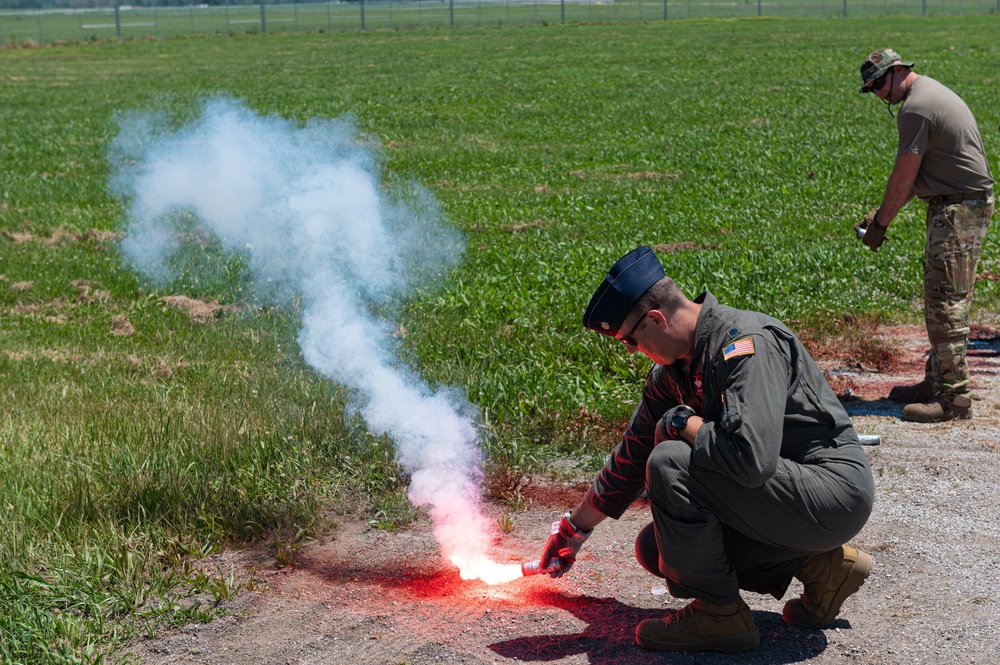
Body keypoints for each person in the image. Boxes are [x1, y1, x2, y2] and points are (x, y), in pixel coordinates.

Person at [537, 246, 876, 653]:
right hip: (788, 500)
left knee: (671, 461)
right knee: (658, 548)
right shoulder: (675, 370)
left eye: (630, 338)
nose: (629, 349)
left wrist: (685, 424)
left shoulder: (744, 345)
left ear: (656, 319)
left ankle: (721, 616)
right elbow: (631, 457)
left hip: (831, 493)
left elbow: (751, 459)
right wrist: (575, 530)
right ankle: (824, 567)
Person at [855, 48, 994, 423]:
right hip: (960, 204)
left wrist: (880, 225)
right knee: (939, 296)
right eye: (871, 89)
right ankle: (936, 382)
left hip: (959, 209)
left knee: (945, 304)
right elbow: (924, 173)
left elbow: (904, 177)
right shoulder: (926, 94)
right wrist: (881, 214)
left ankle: (954, 400)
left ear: (899, 70)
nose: (879, 92)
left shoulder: (915, 108)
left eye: (881, 82)